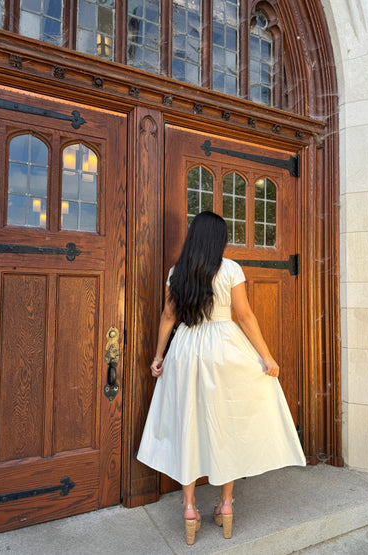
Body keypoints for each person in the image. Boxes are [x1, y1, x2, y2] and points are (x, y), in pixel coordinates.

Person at [137, 211, 306, 546]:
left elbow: (169, 315)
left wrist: (159, 357)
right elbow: (244, 315)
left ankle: (188, 507)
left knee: (186, 422)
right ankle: (226, 505)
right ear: (219, 239)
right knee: (226, 421)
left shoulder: (177, 271)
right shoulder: (230, 269)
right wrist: (266, 356)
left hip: (185, 348)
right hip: (224, 347)